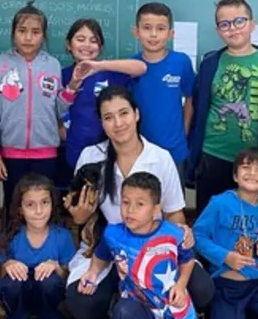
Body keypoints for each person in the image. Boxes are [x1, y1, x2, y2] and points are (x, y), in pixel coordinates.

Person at [65, 85, 214, 319]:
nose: (118, 123)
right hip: (111, 245)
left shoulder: (160, 157)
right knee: (82, 303)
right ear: (102, 123)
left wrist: (183, 233)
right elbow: (79, 215)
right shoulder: (91, 156)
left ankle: (150, 306)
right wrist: (81, 217)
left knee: (203, 290)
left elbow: (174, 214)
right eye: (108, 117)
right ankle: (124, 300)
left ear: (136, 114)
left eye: (124, 113)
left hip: (154, 244)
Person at [188, 0, 258, 214]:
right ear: (218, 30)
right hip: (213, 156)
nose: (232, 29)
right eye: (224, 24)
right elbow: (197, 108)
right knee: (211, 221)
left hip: (257, 163)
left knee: (253, 223)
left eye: (239, 21)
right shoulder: (209, 64)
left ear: (252, 24)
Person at [0, 1, 77, 205]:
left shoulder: (52, 64)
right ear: (13, 33)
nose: (28, 37)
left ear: (43, 36)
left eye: (35, 32)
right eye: (22, 30)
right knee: (14, 207)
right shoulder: (0, 64)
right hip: (10, 153)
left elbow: (58, 109)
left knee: (43, 208)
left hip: (46, 154)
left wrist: (70, 91)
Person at [80, 172, 198, 319]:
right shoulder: (112, 234)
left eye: (140, 204)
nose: (130, 210)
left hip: (171, 306)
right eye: (125, 202)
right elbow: (101, 256)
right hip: (137, 305)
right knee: (123, 310)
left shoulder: (173, 233)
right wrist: (93, 272)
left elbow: (187, 260)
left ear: (156, 209)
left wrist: (180, 286)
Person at [193, 147, 258, 319]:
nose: (252, 173)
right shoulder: (220, 203)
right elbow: (197, 236)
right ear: (235, 175)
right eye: (246, 167)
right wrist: (225, 256)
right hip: (225, 284)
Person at [61, 18, 146, 184]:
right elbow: (55, 106)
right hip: (75, 148)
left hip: (109, 151)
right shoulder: (63, 74)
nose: (87, 45)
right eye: (80, 39)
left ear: (100, 47)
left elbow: (141, 68)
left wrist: (99, 66)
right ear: (68, 45)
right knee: (82, 199)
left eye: (94, 41)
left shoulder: (110, 71)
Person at [0, 173, 76, 319]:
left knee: (49, 281)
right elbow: (0, 278)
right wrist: (8, 264)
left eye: (45, 202)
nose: (39, 211)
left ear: (52, 205)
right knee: (12, 282)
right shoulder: (12, 235)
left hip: (49, 302)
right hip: (19, 301)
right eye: (30, 205)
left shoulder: (62, 236)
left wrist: (57, 268)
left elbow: (69, 277)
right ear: (20, 209)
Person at [130, 2, 196, 178]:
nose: (153, 34)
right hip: (139, 150)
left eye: (160, 28)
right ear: (136, 32)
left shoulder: (181, 62)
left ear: (170, 34)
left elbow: (191, 97)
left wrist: (185, 128)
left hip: (174, 149)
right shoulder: (130, 66)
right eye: (146, 28)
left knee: (173, 203)